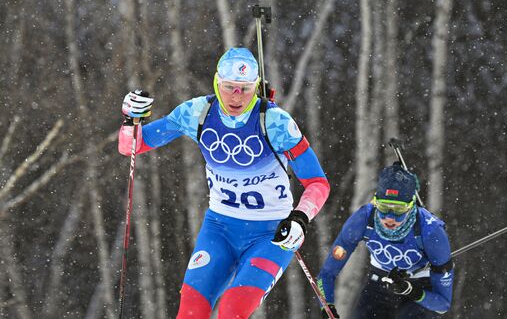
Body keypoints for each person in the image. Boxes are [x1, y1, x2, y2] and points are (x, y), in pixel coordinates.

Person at [118, 47, 330, 319]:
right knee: (191, 312)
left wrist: (300, 218)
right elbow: (131, 147)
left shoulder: (275, 122)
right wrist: (130, 120)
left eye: (245, 88)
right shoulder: (197, 113)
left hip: (270, 234)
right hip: (219, 229)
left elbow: (317, 183)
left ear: (255, 87)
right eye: (229, 87)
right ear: (217, 83)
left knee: (232, 310)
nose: (236, 96)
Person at [316, 163, 453, 318]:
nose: (390, 217)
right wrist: (327, 308)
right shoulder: (362, 220)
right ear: (375, 202)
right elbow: (326, 274)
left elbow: (442, 305)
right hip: (379, 285)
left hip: (419, 288)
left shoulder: (432, 233)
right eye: (383, 207)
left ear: (411, 206)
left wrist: (412, 291)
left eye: (399, 209)